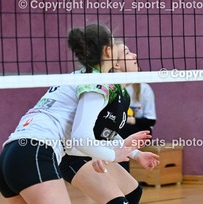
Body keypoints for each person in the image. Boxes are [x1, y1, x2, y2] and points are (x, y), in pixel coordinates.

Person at [0, 24, 144, 204]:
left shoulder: (80, 77)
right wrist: (113, 155)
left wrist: (123, 150)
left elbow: (77, 140)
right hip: (36, 152)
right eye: (117, 45)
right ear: (108, 51)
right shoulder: (97, 83)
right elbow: (80, 138)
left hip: (11, 153)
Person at [58, 43, 160, 204]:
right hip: (72, 154)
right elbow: (84, 133)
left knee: (133, 192)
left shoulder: (123, 95)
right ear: (116, 64)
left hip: (91, 151)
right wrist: (101, 153)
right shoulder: (102, 89)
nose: (134, 55)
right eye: (127, 53)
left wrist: (136, 154)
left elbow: (107, 133)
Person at [119, 83, 157, 172]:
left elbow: (151, 121)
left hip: (139, 130)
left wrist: (131, 120)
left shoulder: (144, 88)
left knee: (122, 132)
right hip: (119, 128)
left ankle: (124, 176)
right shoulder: (114, 86)